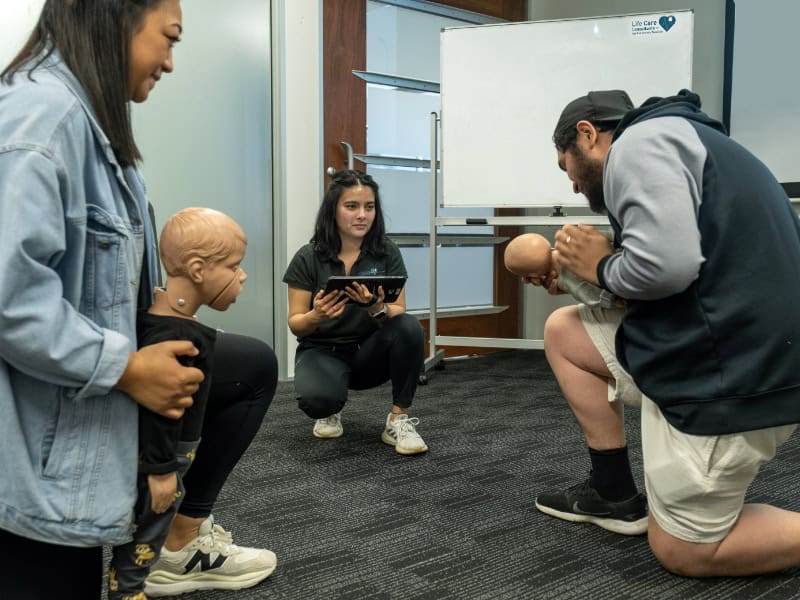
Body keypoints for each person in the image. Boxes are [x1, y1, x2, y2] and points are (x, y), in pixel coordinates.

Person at [0, 2, 277, 598]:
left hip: (83, 404)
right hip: (34, 453)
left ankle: (178, 538)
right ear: (114, 19)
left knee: (249, 365)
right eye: (168, 39)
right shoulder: (39, 122)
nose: (171, 63)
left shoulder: (91, 124)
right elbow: (9, 297)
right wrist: (127, 368)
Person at [537, 87, 800, 577]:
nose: (571, 184)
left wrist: (600, 268)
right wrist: (586, 274)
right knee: (566, 333)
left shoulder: (638, 144)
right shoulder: (683, 137)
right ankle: (612, 491)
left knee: (684, 551)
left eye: (564, 165)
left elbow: (665, 268)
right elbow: (688, 271)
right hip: (746, 342)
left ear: (588, 135)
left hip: (737, 372)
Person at [109, 208, 275, 598]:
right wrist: (162, 470)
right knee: (145, 530)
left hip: (175, 457)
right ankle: (129, 591)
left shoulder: (175, 323)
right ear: (198, 270)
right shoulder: (175, 336)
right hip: (165, 459)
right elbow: (162, 410)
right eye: (234, 266)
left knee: (147, 526)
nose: (243, 276)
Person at [283, 169, 428, 455]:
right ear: (333, 210)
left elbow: (399, 312)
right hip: (323, 350)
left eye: (369, 207)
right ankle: (330, 407)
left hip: (368, 353)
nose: (362, 215)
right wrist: (316, 316)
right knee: (318, 402)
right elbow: (296, 324)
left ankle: (398, 420)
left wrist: (376, 307)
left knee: (410, 327)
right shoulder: (307, 256)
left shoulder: (387, 252)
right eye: (352, 206)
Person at [504, 232, 623, 310]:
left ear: (534, 276)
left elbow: (601, 301)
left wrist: (565, 287)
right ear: (550, 247)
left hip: (627, 293)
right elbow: (609, 235)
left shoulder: (568, 282)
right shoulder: (574, 240)